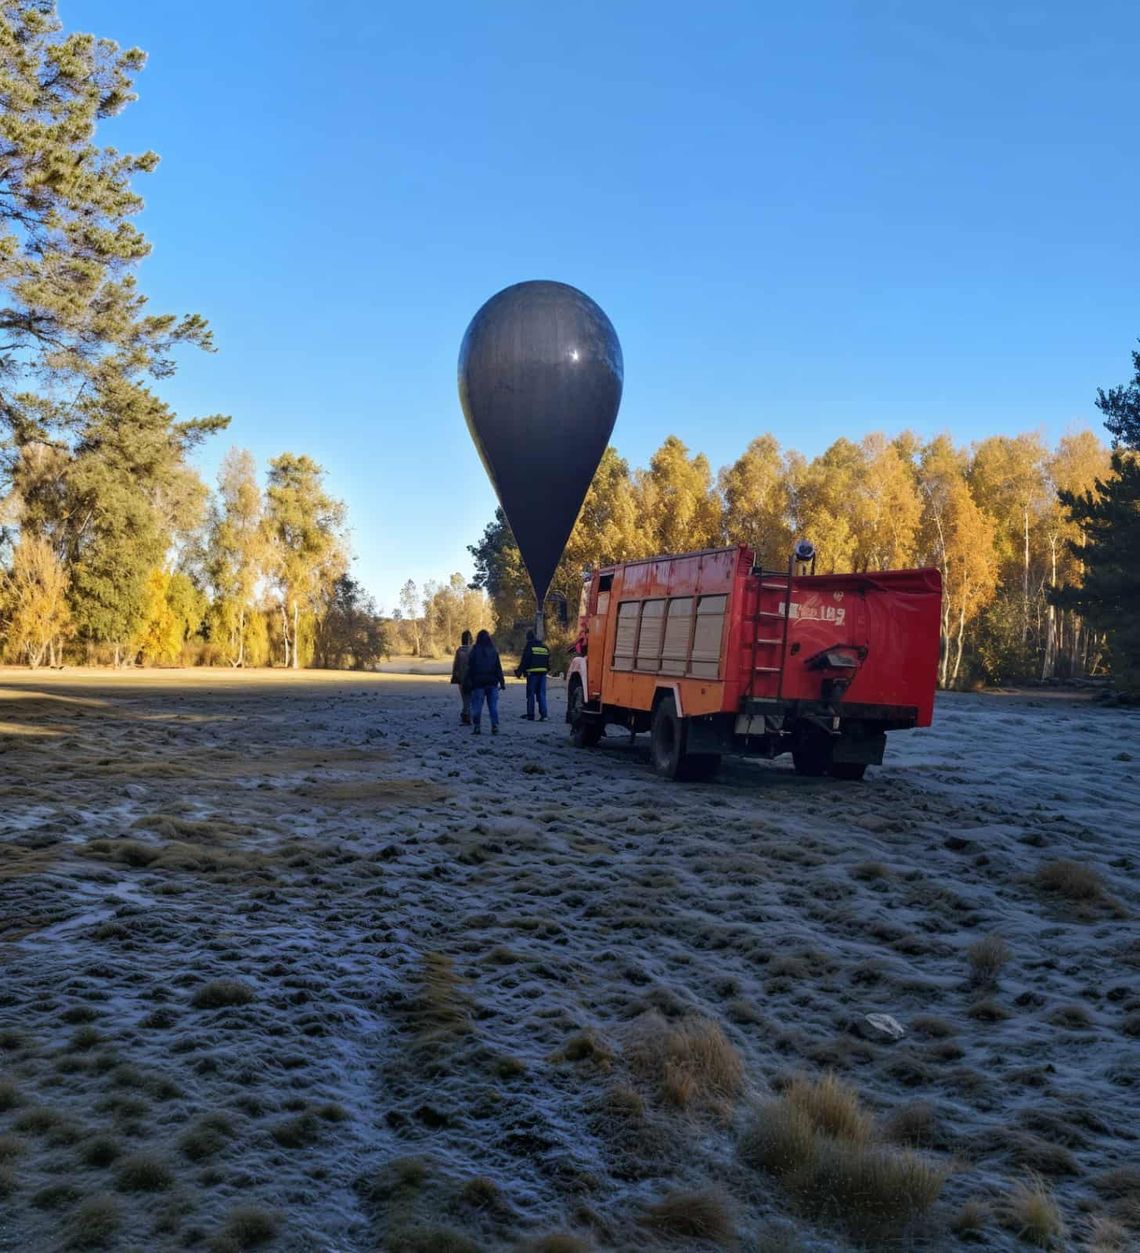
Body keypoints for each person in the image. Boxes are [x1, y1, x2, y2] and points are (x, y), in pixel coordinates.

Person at [463, 629, 505, 735]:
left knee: (477, 706)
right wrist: (502, 682)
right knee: (493, 707)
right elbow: (498, 668)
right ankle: (494, 726)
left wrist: (467, 682)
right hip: (492, 682)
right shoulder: (494, 651)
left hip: (478, 683)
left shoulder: (474, 651)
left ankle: (477, 726)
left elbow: (470, 668)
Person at [516, 629, 550, 721]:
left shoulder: (529, 646)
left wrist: (519, 672)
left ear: (528, 638)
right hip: (543, 674)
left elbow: (525, 661)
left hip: (532, 674)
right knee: (541, 694)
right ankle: (544, 715)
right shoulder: (544, 647)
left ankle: (531, 715)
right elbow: (548, 661)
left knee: (531, 695)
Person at [450, 630, 473, 725]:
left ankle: (465, 713)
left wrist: (455, 676)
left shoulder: (459, 651)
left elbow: (456, 664)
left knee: (465, 697)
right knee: (470, 697)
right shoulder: (473, 650)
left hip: (462, 677)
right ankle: (467, 714)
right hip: (472, 676)